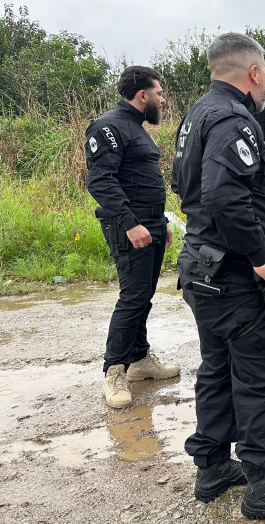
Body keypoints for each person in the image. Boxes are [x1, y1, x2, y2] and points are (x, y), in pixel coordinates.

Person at [171, 32, 265, 521]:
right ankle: (264, 488)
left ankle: (212, 466)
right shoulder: (235, 120)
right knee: (261, 376)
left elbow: (185, 186)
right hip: (236, 277)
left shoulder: (196, 115)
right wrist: (261, 256)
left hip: (206, 268)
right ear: (253, 73)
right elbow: (222, 195)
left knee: (217, 369)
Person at [85, 66, 180, 410]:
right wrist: (130, 222)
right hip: (129, 226)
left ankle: (140, 360)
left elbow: (142, 178)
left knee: (144, 294)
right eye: (159, 93)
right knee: (133, 296)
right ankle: (114, 371)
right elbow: (100, 181)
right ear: (143, 95)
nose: (162, 99)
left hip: (151, 223)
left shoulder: (138, 129)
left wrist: (161, 221)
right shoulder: (108, 126)